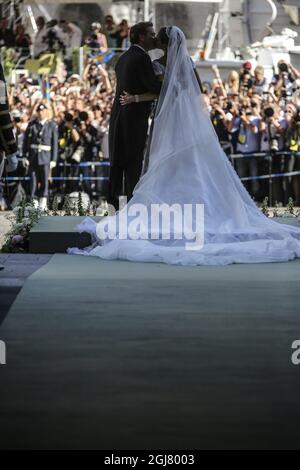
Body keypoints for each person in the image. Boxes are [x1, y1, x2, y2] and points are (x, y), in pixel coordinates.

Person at [68, 26, 300, 266]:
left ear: (165, 42)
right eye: (151, 35)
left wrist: (138, 98)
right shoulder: (155, 59)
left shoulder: (178, 61)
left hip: (177, 116)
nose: (153, 37)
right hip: (165, 116)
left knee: (176, 159)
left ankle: (185, 212)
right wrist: (143, 96)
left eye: (157, 36)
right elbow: (161, 89)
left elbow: (179, 89)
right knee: (163, 161)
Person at [107, 21, 162, 209]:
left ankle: (113, 207)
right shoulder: (141, 58)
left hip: (118, 117)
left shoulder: (123, 57)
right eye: (151, 34)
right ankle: (132, 207)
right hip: (133, 120)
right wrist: (167, 78)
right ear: (141, 37)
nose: (154, 37)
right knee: (133, 163)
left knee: (118, 163)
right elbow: (156, 87)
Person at [23, 103, 58, 209]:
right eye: (39, 111)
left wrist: (54, 159)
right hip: (33, 156)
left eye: (43, 111)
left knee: (44, 179)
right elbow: (26, 142)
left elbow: (54, 143)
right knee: (33, 179)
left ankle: (43, 199)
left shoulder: (52, 125)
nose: (41, 113)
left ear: (47, 112)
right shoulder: (32, 124)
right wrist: (25, 155)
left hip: (45, 157)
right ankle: (33, 200)